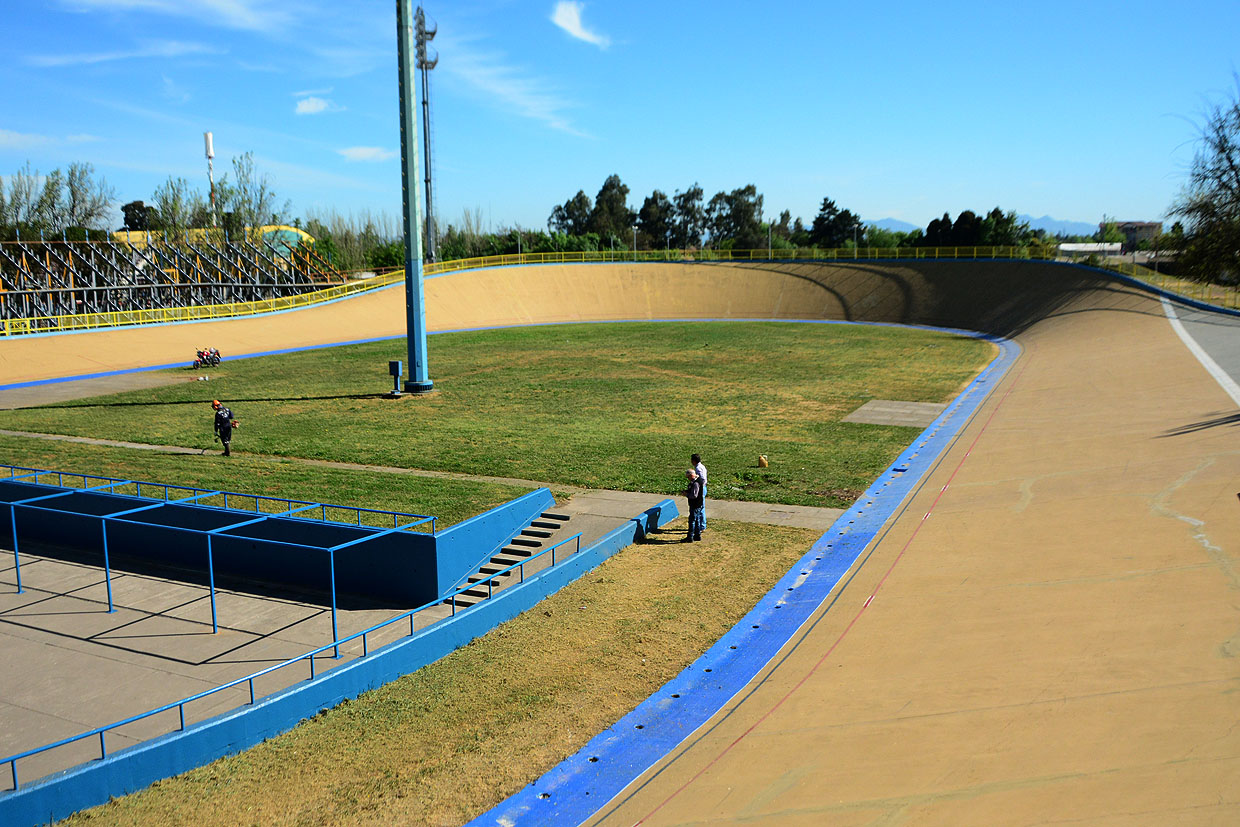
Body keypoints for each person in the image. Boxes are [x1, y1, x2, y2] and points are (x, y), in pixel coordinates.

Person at [682, 468, 704, 542]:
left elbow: (694, 495)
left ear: (691, 475)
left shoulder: (695, 483)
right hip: (699, 504)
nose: (688, 479)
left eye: (688, 477)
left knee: (692, 521)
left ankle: (690, 537)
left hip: (695, 504)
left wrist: (686, 494)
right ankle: (697, 535)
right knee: (697, 520)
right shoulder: (698, 480)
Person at [692, 453, 708, 528]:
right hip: (703, 487)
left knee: (700, 506)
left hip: (701, 488)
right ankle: (701, 525)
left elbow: (702, 479)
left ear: (694, 461)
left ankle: (702, 525)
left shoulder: (698, 468)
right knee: (701, 506)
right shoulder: (702, 466)